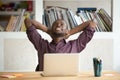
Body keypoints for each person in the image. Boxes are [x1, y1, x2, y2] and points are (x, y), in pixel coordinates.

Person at [24, 18, 96, 71]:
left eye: (62, 24)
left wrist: (70, 32)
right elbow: (28, 21)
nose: (58, 24)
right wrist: (48, 31)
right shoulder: (42, 45)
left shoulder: (75, 45)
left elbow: (92, 23)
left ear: (66, 30)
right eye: (55, 24)